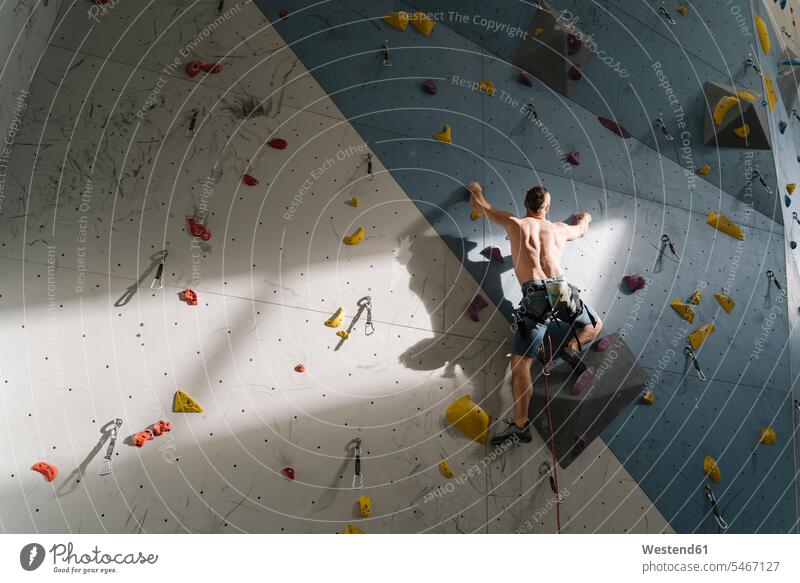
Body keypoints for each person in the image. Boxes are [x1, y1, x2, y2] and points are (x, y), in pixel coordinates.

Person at [467, 182, 603, 445]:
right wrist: (586, 217)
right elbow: (582, 229)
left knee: (520, 365)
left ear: (525, 204)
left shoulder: (515, 224)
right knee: (595, 325)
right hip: (559, 288)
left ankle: (520, 425)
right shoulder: (558, 229)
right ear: (547, 208)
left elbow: (480, 206)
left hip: (535, 295)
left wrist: (476, 189)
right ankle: (571, 348)